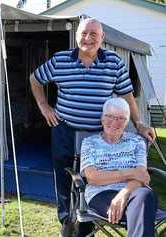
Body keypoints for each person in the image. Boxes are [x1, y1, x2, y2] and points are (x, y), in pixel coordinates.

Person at [29, 18, 155, 237]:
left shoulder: (114, 62)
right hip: (65, 130)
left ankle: (88, 224)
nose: (88, 38)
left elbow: (127, 94)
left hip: (99, 135)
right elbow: (35, 79)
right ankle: (66, 221)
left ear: (102, 38)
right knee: (64, 178)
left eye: (93, 34)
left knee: (94, 178)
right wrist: (43, 106)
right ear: (77, 36)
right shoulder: (60, 60)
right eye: (84, 34)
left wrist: (139, 123)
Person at [80, 98, 157, 237]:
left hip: (135, 193)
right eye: (109, 116)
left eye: (121, 118)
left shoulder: (137, 141)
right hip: (100, 193)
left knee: (146, 195)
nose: (115, 122)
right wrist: (131, 173)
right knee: (143, 213)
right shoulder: (89, 143)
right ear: (102, 118)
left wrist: (123, 194)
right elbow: (92, 178)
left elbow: (143, 177)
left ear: (127, 122)